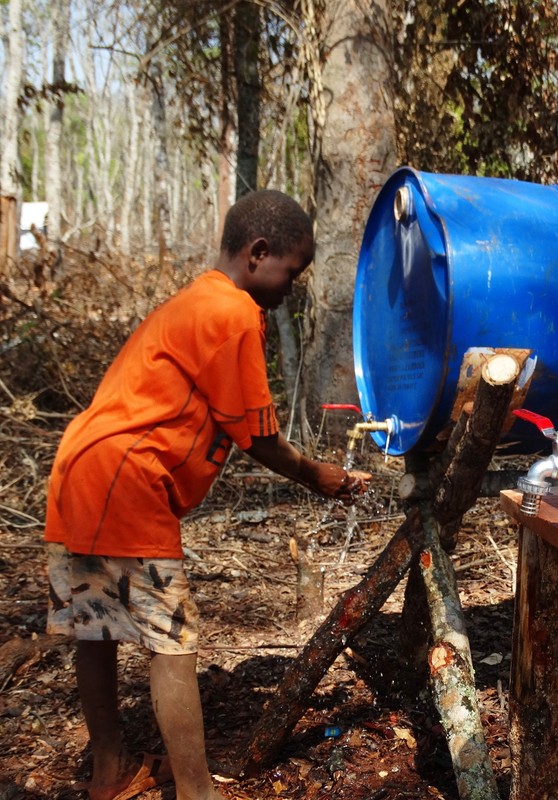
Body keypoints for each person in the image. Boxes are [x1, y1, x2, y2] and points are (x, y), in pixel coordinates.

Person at [44, 189, 370, 800]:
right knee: (171, 641)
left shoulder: (197, 301)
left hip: (80, 468)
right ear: (258, 253)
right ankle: (198, 792)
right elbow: (260, 438)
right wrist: (324, 476)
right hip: (127, 477)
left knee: (98, 627)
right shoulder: (231, 312)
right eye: (291, 271)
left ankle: (110, 769)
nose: (291, 286)